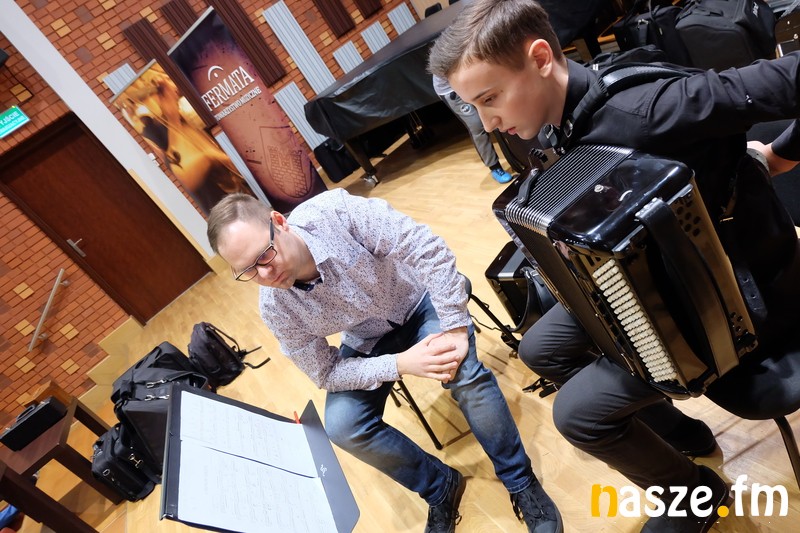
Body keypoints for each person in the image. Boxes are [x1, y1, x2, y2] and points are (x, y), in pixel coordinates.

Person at [428, 1, 800, 532]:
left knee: (576, 415)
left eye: (490, 99)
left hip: (738, 302)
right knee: (538, 349)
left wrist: (778, 156)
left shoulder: (649, 109)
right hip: (665, 283)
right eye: (473, 106)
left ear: (540, 59)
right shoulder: (564, 118)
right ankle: (683, 435)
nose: (487, 123)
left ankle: (693, 496)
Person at [206, 190, 563, 533]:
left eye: (265, 256)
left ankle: (520, 481)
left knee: (463, 372)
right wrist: (400, 364)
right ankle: (440, 487)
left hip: (420, 300)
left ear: (279, 222)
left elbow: (426, 248)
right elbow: (325, 372)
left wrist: (455, 327)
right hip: (368, 338)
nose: (266, 276)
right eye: (248, 271)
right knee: (343, 425)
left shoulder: (335, 214)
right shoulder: (275, 307)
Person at [433, 75, 514, 183]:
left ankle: (516, 157)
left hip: (470, 81)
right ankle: (495, 168)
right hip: (450, 90)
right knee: (477, 126)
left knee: (495, 113)